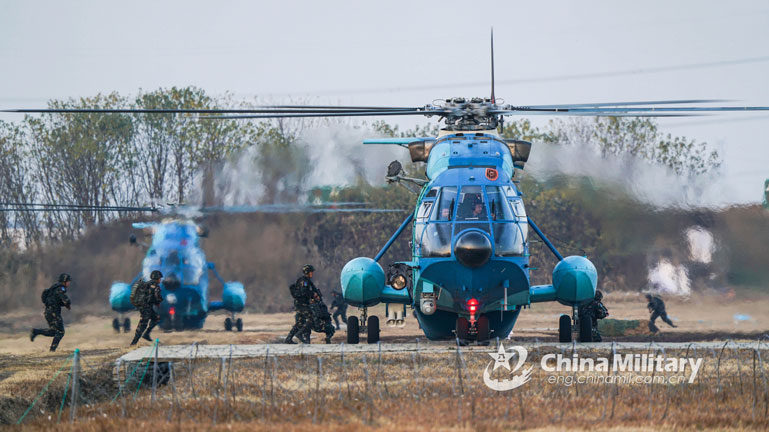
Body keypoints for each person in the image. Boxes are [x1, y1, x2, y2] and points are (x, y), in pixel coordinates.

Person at [30, 273, 72, 352]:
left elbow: (56, 301)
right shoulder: (60, 288)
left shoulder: (54, 288)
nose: (69, 283)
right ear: (65, 281)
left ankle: (36, 331)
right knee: (60, 332)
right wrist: (68, 303)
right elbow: (65, 299)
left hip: (48, 312)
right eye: (68, 281)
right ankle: (52, 350)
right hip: (53, 313)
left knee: (53, 332)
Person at [130, 270, 164, 346]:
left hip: (144, 306)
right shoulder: (155, 287)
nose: (160, 280)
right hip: (146, 307)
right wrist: (159, 301)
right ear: (157, 278)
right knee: (143, 324)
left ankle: (146, 334)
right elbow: (157, 297)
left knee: (156, 318)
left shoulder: (146, 284)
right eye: (159, 278)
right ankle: (134, 343)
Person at [284, 265, 315, 344]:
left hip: (300, 304)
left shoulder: (304, 280)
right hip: (302, 304)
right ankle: (299, 334)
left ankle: (288, 339)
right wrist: (313, 294)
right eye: (311, 272)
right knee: (311, 318)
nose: (313, 273)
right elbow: (304, 292)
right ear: (307, 272)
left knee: (300, 322)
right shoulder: (304, 281)